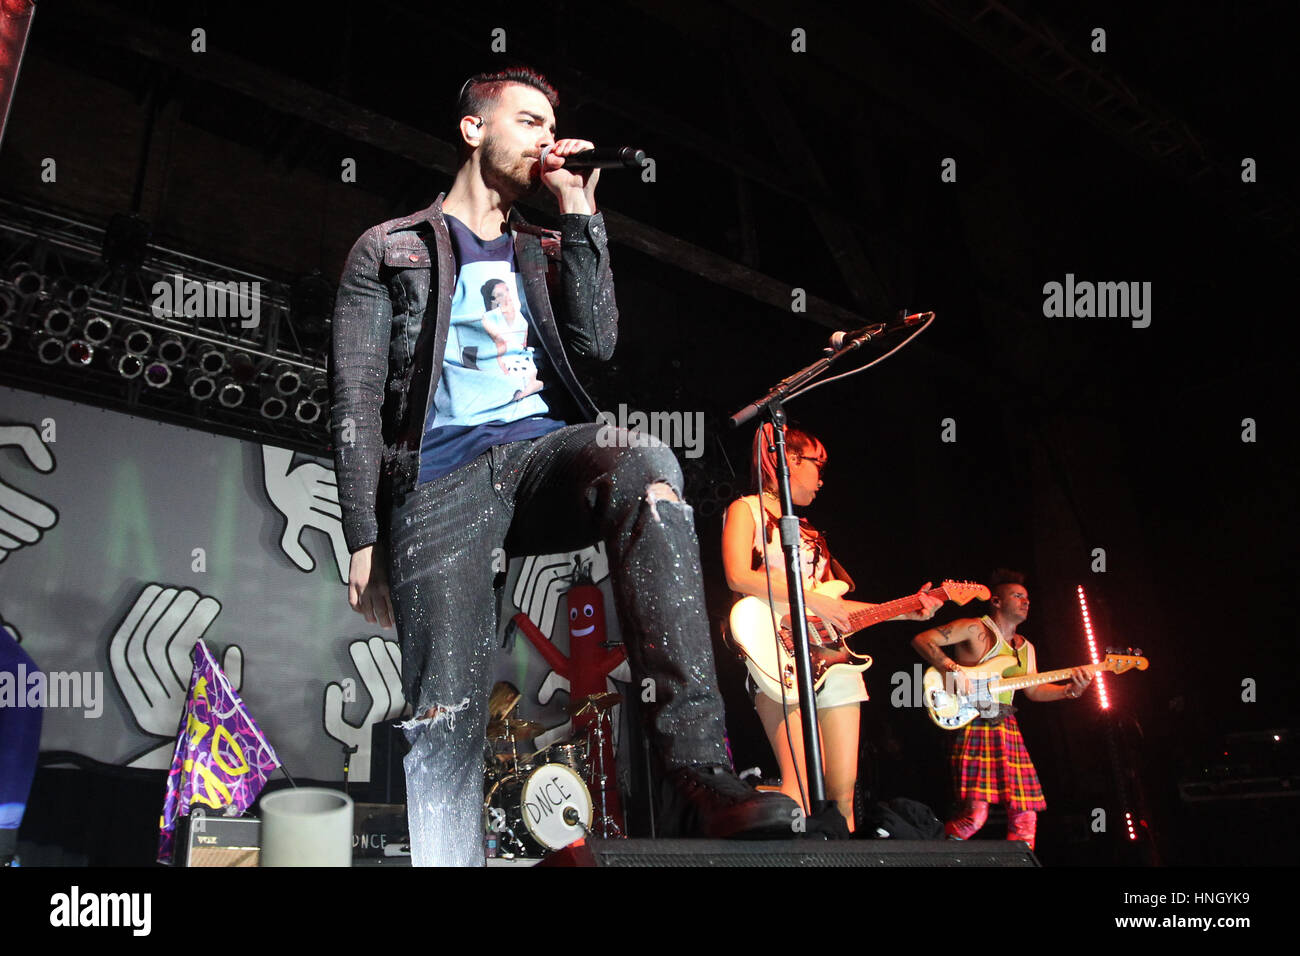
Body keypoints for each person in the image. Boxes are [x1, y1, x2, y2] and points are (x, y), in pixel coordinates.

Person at [330, 67, 797, 865]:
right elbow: (356, 396)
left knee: (645, 462)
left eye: (554, 125)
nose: (547, 138)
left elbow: (598, 345)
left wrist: (580, 210)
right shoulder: (391, 247)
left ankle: (705, 776)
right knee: (445, 713)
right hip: (440, 484)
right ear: (474, 129)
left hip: (539, 456)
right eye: (528, 121)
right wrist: (363, 534)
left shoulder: (544, 247)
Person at [722, 424, 941, 832]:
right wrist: (811, 599)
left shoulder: (812, 534)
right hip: (777, 653)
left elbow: (835, 607)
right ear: (789, 460)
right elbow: (737, 575)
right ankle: (734, 809)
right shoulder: (745, 509)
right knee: (801, 792)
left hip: (833, 660)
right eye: (817, 466)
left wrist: (903, 611)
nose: (821, 479)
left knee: (842, 795)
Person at [910, 569, 1092, 850]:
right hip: (974, 719)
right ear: (996, 601)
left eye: (1027, 597)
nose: (1025, 601)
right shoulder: (974, 628)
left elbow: (1032, 690)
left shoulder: (1025, 647)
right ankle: (937, 855)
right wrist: (951, 669)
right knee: (974, 816)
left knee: (1026, 815)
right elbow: (922, 639)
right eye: (1017, 596)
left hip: (1006, 724)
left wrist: (1069, 691)